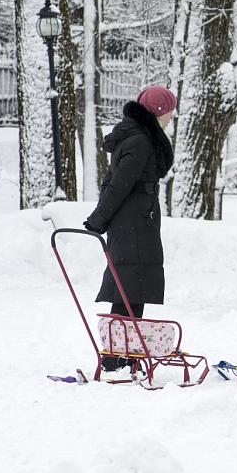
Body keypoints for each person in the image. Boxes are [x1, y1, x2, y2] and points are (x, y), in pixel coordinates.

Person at [83, 85, 176, 372]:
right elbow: (119, 184)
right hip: (133, 223)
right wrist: (98, 218)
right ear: (157, 112)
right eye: (169, 113)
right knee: (128, 289)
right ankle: (116, 358)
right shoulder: (140, 142)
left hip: (136, 221)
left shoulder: (140, 138)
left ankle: (126, 355)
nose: (171, 118)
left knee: (132, 289)